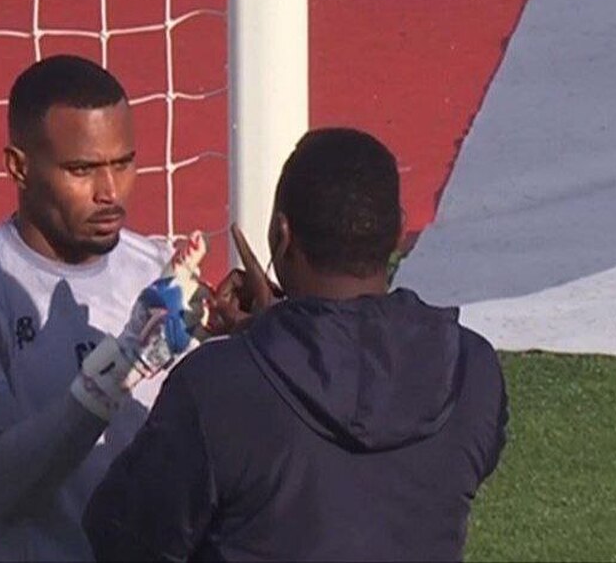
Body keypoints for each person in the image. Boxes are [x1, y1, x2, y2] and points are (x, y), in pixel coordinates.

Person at [83, 128, 510, 561]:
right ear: (399, 230)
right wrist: (274, 333)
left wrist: (268, 340)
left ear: (282, 235)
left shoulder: (215, 387)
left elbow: (121, 539)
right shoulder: (473, 370)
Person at [0, 54, 207, 561]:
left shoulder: (155, 270)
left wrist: (250, 339)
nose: (110, 192)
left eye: (123, 163)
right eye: (82, 169)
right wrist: (119, 369)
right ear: (19, 167)